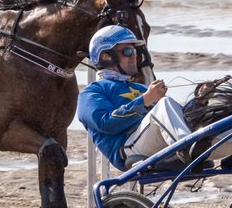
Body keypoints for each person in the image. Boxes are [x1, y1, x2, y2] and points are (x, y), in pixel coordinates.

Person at [77, 25, 197, 170]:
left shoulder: (141, 88)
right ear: (106, 57)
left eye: (134, 51)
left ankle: (212, 149)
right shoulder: (91, 92)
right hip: (126, 150)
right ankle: (188, 148)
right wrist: (145, 100)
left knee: (211, 106)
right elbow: (106, 124)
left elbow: (177, 119)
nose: (134, 56)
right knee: (164, 104)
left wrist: (199, 101)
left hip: (154, 140)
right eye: (127, 51)